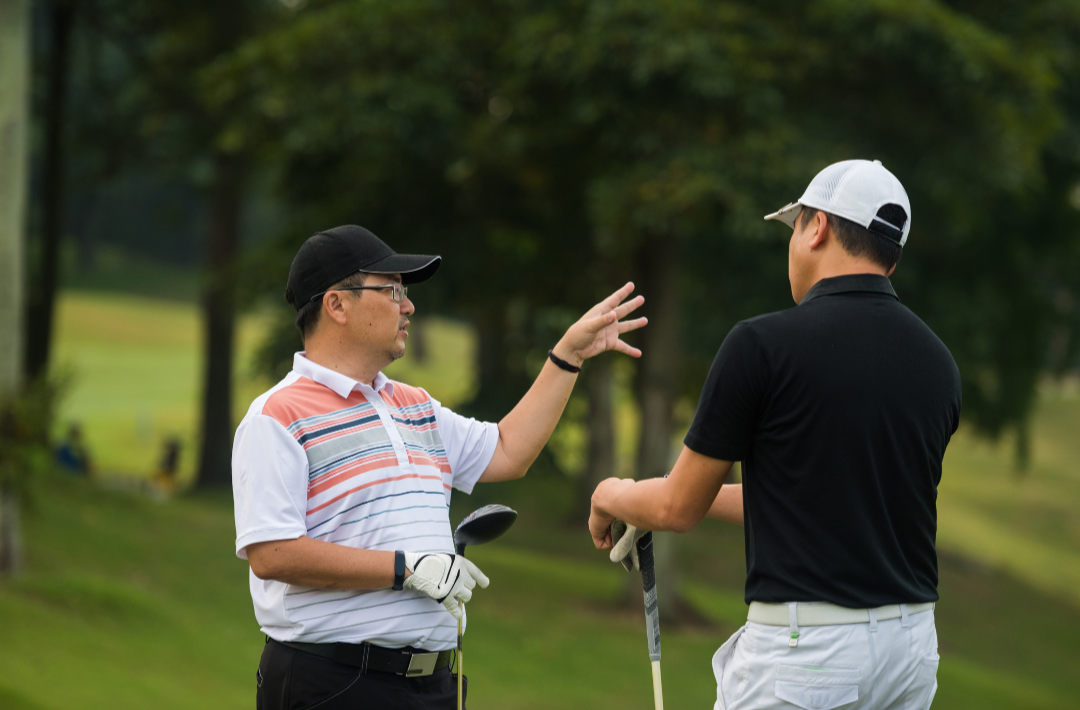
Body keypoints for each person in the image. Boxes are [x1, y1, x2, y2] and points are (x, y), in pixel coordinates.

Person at [589, 160, 961, 710]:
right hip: (910, 650)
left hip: (809, 652)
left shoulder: (761, 346)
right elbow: (812, 500)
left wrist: (612, 494)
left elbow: (676, 509)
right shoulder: (938, 363)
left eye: (795, 226)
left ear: (817, 228)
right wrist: (659, 491)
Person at [233, 224, 646, 710]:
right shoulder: (276, 416)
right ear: (337, 305)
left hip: (434, 685)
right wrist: (406, 569)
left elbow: (508, 450)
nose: (408, 307)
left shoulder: (414, 405)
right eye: (392, 291)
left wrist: (568, 355)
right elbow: (273, 554)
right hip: (333, 682)